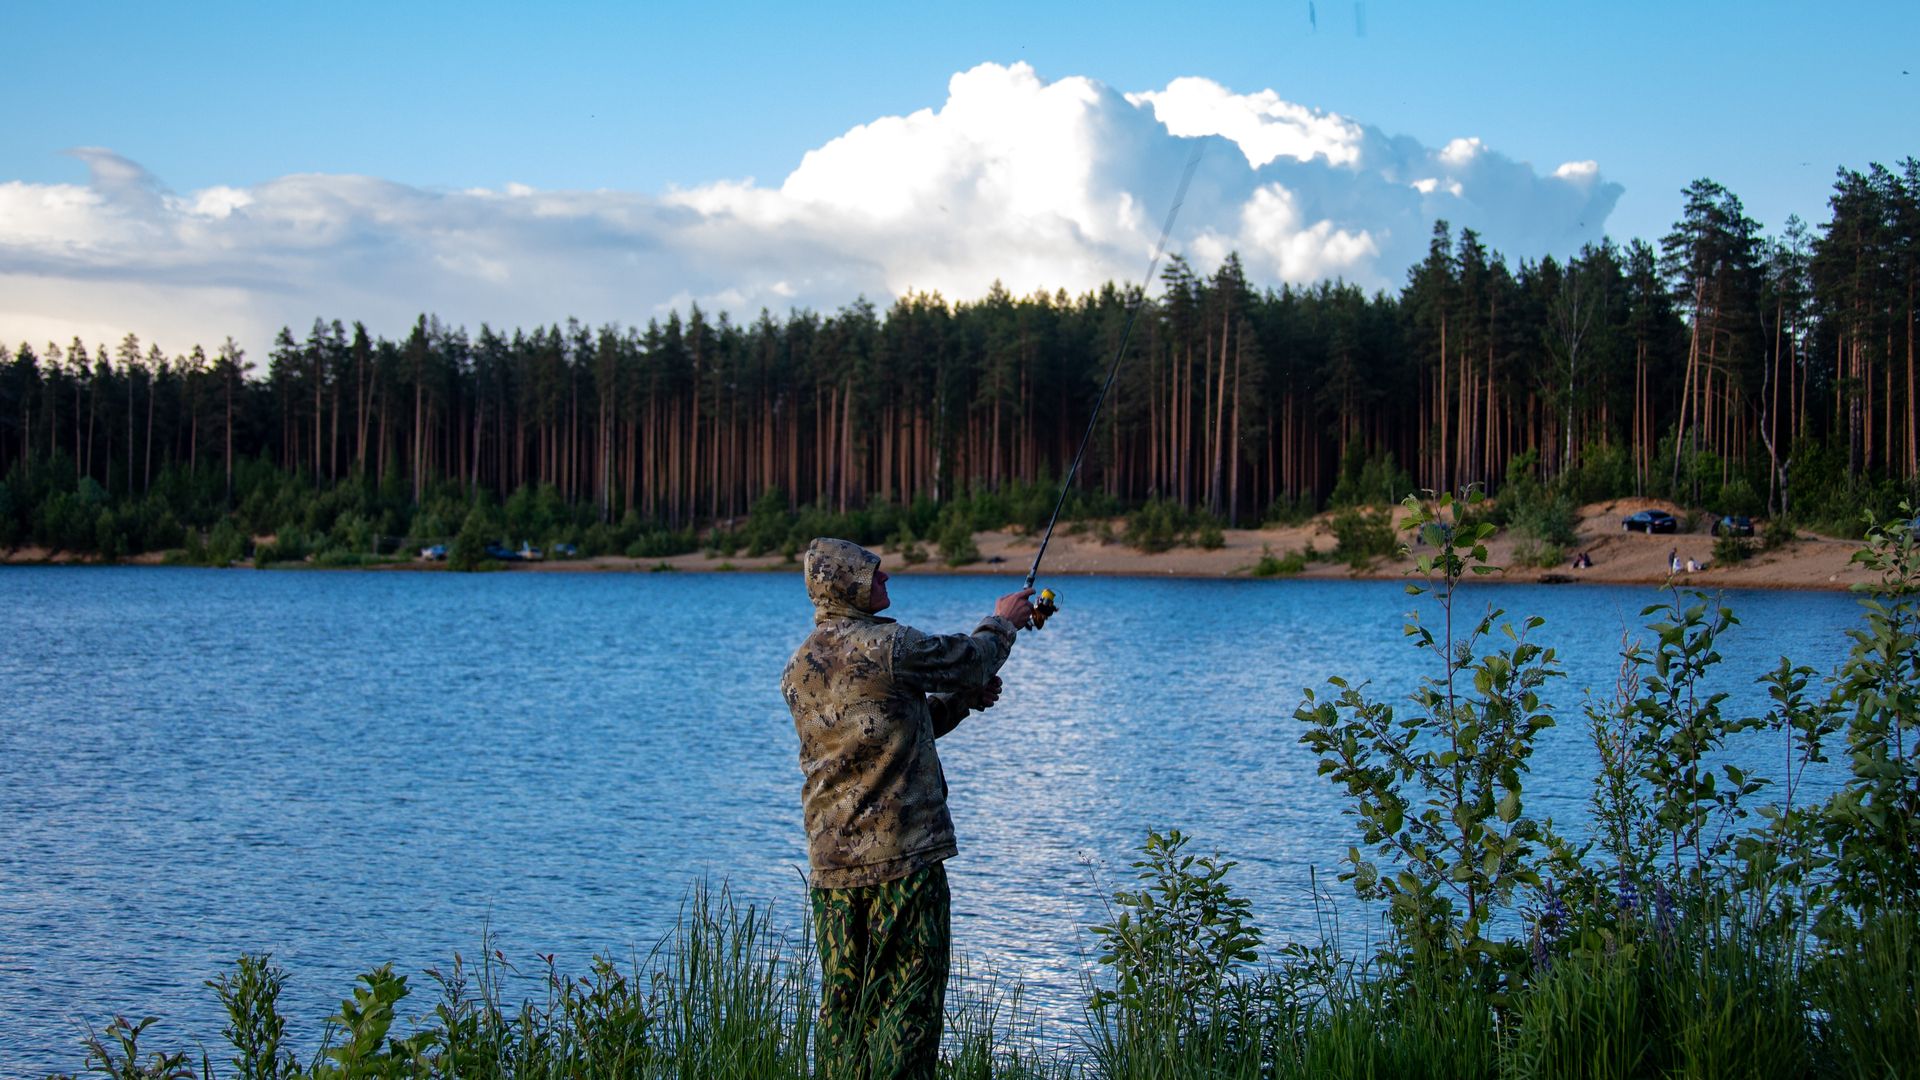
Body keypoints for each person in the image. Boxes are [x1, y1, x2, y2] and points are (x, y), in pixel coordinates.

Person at [781, 537, 1034, 1079]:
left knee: (845, 1013)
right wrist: (1003, 621)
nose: (887, 580)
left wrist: (960, 703)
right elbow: (971, 659)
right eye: (874, 575)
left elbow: (886, 736)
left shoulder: (799, 667)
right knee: (910, 1006)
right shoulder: (886, 646)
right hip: (904, 863)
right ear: (846, 584)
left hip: (833, 871)